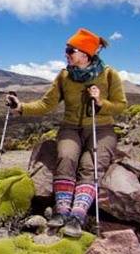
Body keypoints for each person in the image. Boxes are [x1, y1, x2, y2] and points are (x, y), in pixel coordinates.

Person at [8, 28, 127, 237]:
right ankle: (62, 211)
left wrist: (100, 102)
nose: (66, 54)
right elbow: (46, 104)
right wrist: (20, 108)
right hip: (70, 128)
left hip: (102, 129)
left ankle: (77, 216)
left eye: (70, 50)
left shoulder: (109, 74)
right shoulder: (64, 76)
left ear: (85, 53)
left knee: (90, 165)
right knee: (65, 157)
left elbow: (120, 105)